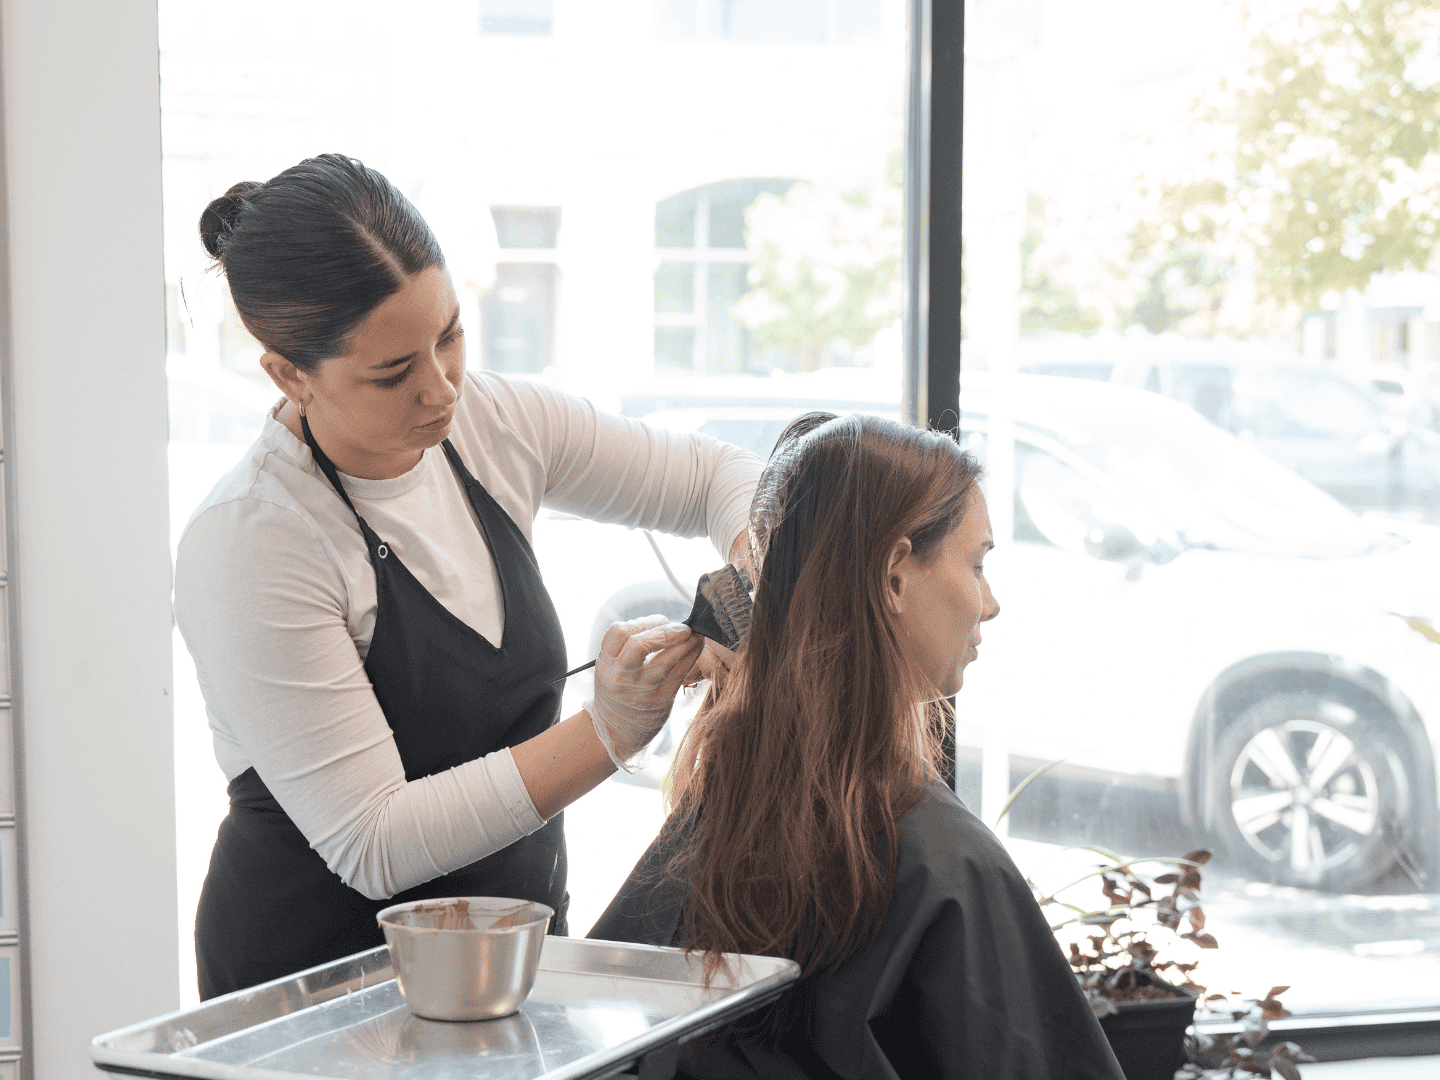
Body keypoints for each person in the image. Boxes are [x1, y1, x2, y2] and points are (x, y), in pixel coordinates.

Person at [173, 154, 760, 999]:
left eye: (448, 335)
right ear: (289, 374)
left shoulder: (494, 423)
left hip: (504, 964)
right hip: (317, 992)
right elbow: (375, 840)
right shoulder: (254, 540)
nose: (440, 388)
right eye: (392, 372)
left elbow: (721, 475)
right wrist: (608, 731)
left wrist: (746, 577)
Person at [590, 412, 1125, 1079]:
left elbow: (603, 1032)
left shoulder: (724, 811)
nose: (990, 603)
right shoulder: (946, 863)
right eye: (978, 563)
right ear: (895, 573)